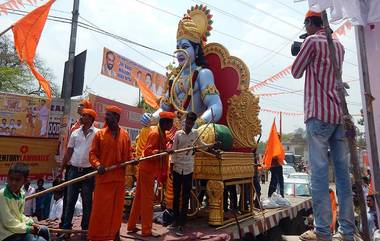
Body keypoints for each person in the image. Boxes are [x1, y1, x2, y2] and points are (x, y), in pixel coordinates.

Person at [292, 11, 355, 241]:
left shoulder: (311, 41)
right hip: (338, 115)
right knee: (342, 175)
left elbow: (296, 71)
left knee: (318, 174)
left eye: (305, 23)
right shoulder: (338, 45)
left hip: (318, 115)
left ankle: (322, 230)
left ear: (310, 22)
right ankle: (347, 232)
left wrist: (301, 50)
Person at [127, 111, 175, 237]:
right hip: (146, 170)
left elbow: (163, 145)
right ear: (164, 122)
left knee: (138, 199)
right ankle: (146, 230)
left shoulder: (162, 133)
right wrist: (162, 151)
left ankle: (131, 226)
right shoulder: (154, 133)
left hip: (148, 170)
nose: (171, 126)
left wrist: (166, 148)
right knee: (148, 201)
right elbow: (148, 151)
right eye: (170, 123)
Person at [88, 105, 131, 241]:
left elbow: (128, 156)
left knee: (117, 211)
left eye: (109, 115)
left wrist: (132, 161)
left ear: (117, 118)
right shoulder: (99, 134)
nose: (106, 117)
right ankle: (97, 237)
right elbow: (92, 154)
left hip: (118, 180)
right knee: (100, 210)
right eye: (106, 115)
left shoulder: (125, 135)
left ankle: (115, 235)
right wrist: (98, 165)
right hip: (103, 179)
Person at [58, 108, 98, 240]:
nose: (82, 117)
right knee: (70, 201)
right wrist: (62, 167)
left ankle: (85, 230)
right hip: (74, 171)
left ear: (91, 119)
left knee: (87, 202)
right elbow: (69, 152)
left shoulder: (98, 134)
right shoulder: (75, 133)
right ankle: (66, 229)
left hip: (89, 172)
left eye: (85, 116)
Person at [169, 112, 204, 236]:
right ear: (185, 121)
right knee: (176, 196)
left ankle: (182, 223)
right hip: (177, 168)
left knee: (185, 197)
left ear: (193, 123)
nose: (188, 125)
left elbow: (202, 146)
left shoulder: (195, 134)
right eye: (187, 122)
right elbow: (173, 152)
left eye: (191, 123)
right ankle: (175, 220)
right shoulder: (178, 134)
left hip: (188, 169)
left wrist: (211, 146)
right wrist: (171, 168)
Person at [0, 162, 51, 241]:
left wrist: (31, 222)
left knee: (44, 230)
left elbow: (19, 215)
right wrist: (28, 229)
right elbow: (8, 222)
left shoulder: (21, 194)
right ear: (7, 178)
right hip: (6, 234)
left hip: (17, 230)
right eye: (11, 179)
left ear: (25, 181)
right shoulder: (2, 195)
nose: (13, 182)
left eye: (17, 180)